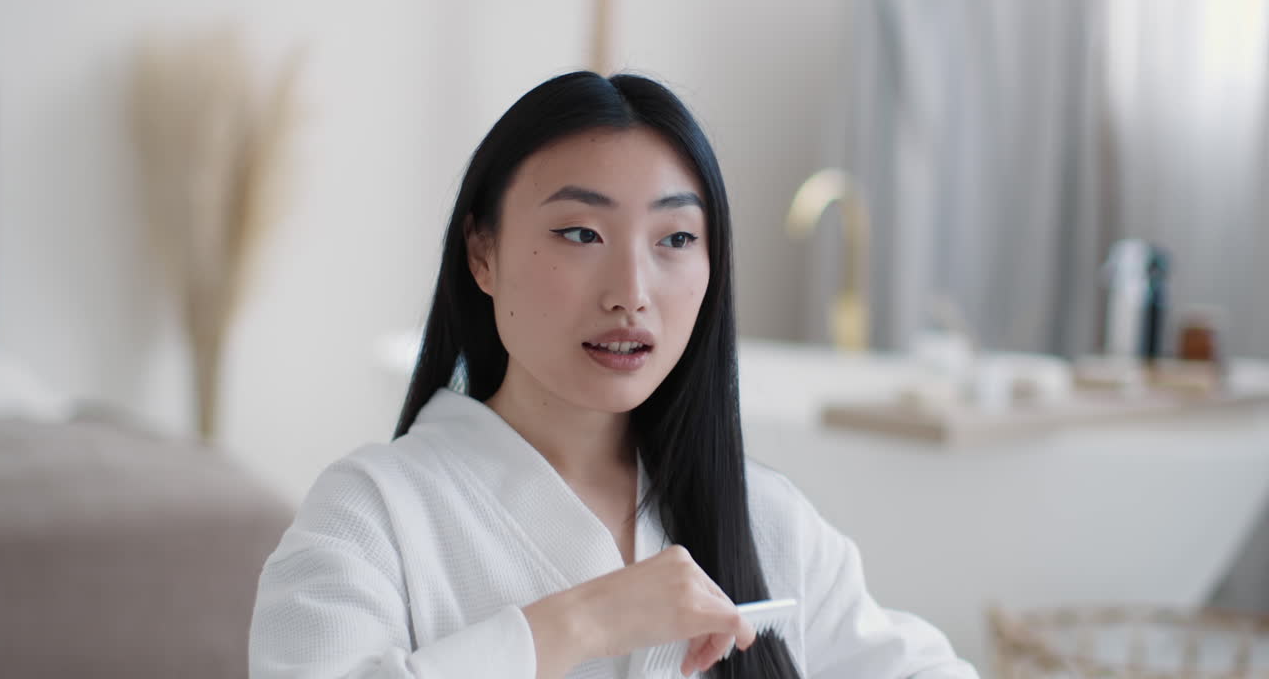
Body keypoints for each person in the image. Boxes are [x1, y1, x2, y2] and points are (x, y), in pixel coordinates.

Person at [249, 71, 978, 679]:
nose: (631, 291)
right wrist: (583, 621)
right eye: (580, 233)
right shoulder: (370, 514)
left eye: (677, 239)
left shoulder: (766, 521)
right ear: (483, 253)